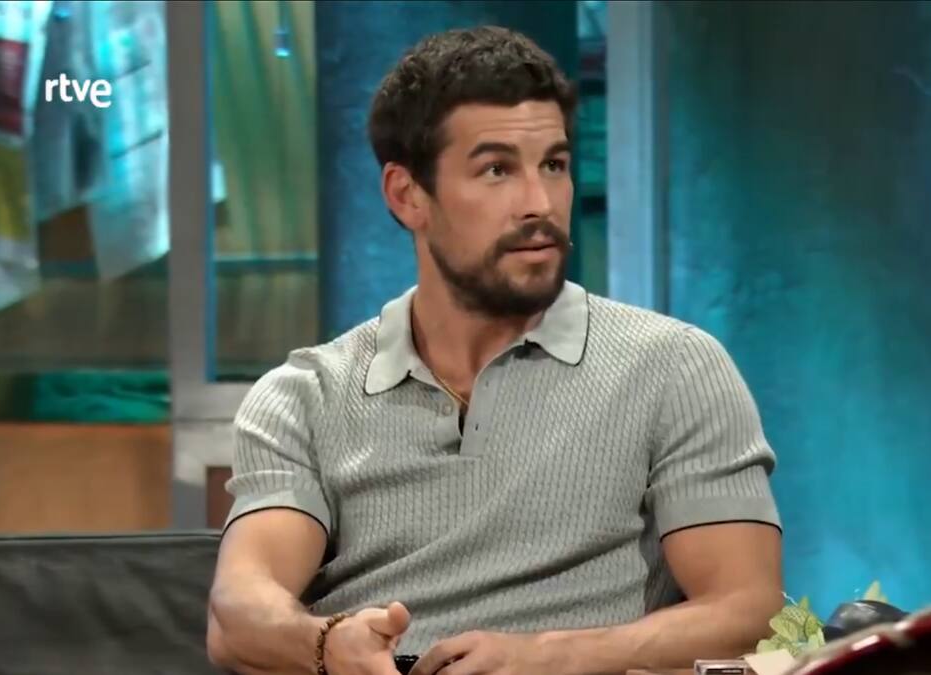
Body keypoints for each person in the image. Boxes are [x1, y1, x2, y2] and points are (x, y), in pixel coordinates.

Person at [206, 25, 784, 675]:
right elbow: (239, 613)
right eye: (496, 170)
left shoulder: (675, 368)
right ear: (407, 195)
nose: (539, 204)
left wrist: (551, 656)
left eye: (554, 165)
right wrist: (326, 643)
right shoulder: (305, 396)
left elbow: (747, 610)